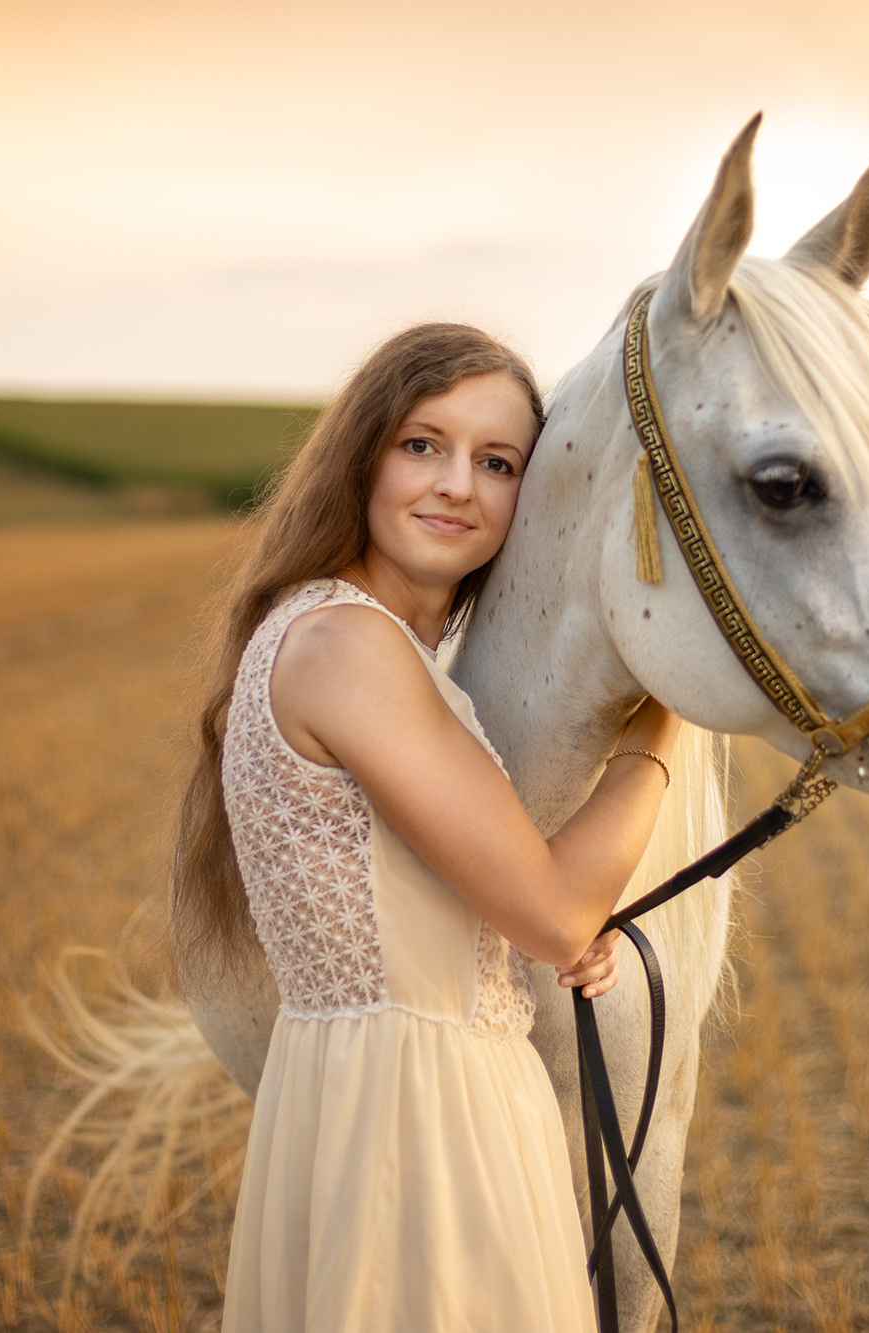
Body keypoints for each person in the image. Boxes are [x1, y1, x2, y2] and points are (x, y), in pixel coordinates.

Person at [171, 322, 681, 1331]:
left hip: (398, 1100)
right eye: (422, 444)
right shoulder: (346, 646)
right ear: (360, 457)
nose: (456, 483)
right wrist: (660, 722)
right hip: (417, 1121)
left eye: (496, 463)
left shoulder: (359, 647)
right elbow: (552, 909)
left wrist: (504, 952)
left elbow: (478, 909)